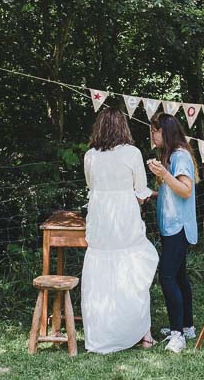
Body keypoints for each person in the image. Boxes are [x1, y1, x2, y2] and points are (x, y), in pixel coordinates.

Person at [81, 108, 160, 353]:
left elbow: (91, 186)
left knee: (102, 278)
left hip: (100, 219)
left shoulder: (90, 156)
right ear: (123, 127)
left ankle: (102, 335)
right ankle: (143, 334)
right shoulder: (133, 153)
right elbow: (140, 191)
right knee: (133, 273)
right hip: (124, 219)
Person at [147, 112, 199, 354]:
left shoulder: (180, 156)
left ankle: (178, 334)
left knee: (167, 277)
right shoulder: (171, 156)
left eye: (154, 131)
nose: (152, 136)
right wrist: (154, 193)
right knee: (179, 278)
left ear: (164, 132)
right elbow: (174, 191)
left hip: (178, 227)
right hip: (172, 226)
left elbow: (186, 190)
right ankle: (186, 326)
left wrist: (163, 175)